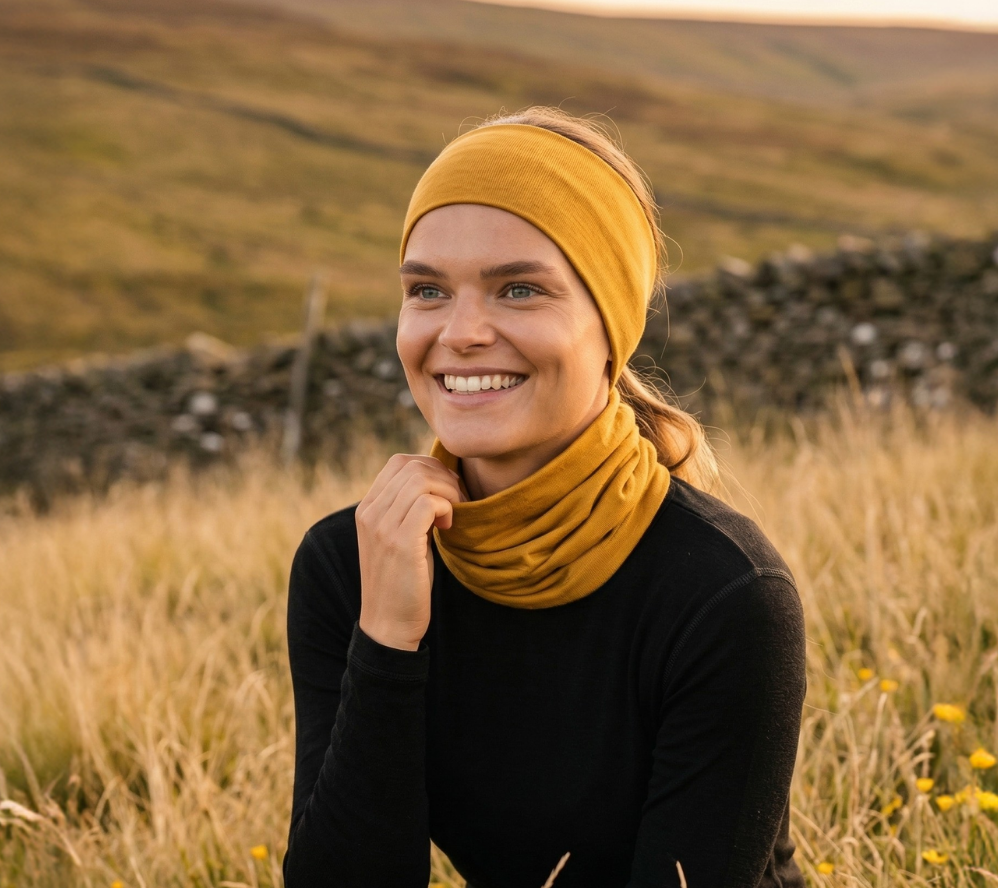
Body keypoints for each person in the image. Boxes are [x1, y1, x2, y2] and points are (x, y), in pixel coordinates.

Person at [282, 106, 808, 888]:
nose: (459, 333)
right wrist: (389, 634)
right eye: (427, 290)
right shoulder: (352, 560)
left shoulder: (723, 590)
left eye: (520, 289)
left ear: (611, 324)